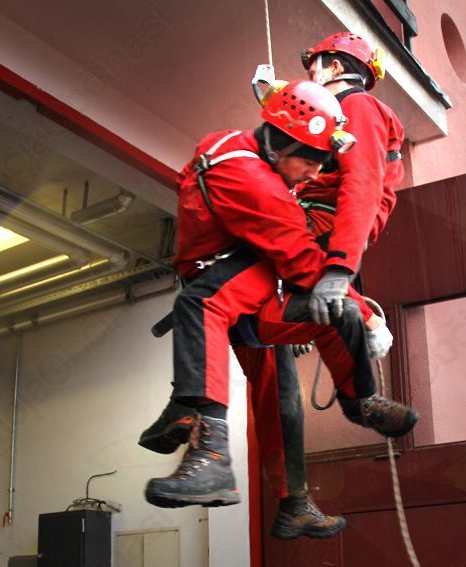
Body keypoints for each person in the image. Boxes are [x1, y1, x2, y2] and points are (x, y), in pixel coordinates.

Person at [143, 80, 417, 513]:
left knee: (335, 314)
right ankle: (211, 454)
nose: (314, 175)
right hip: (227, 274)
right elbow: (302, 262)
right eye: (309, 162)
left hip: (249, 271)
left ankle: (359, 401)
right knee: (200, 306)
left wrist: (355, 309)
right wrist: (369, 315)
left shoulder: (252, 160)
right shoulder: (255, 182)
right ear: (280, 144)